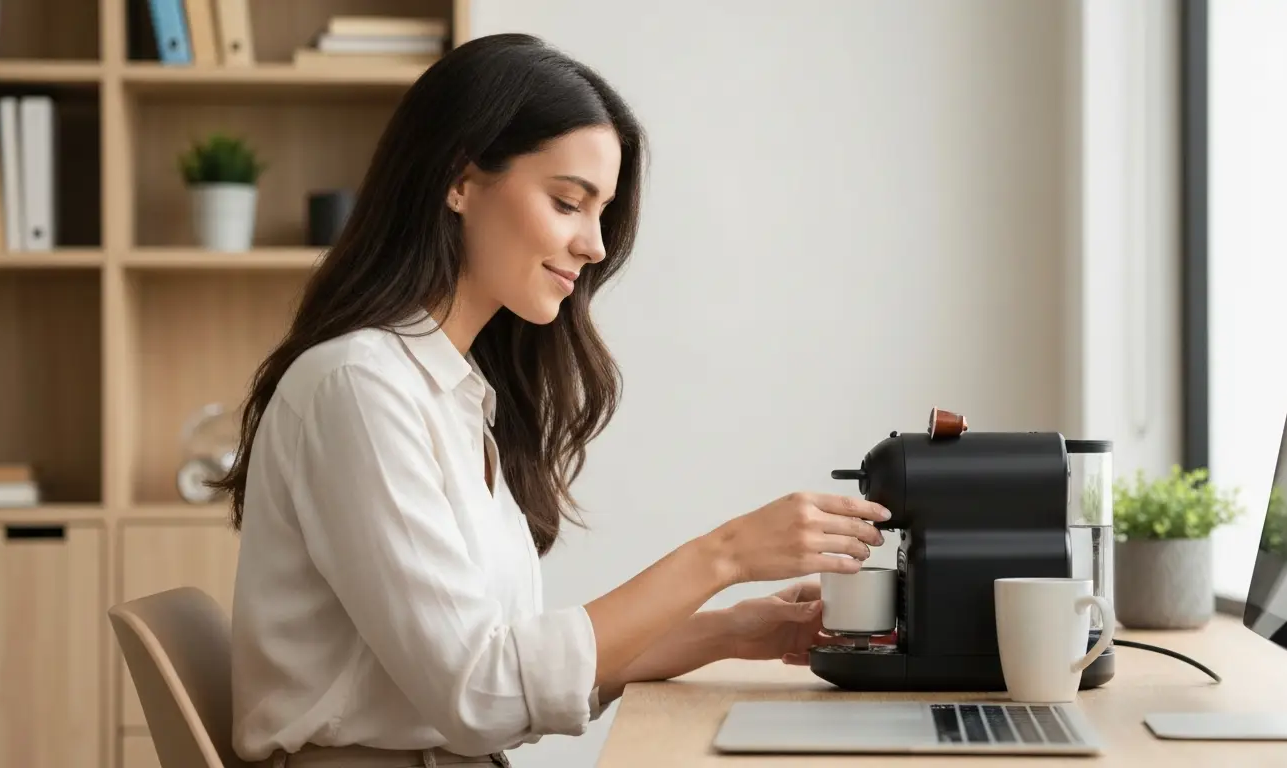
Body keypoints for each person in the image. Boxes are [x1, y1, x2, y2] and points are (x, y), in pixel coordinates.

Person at [213, 32, 888, 768]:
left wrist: (729, 631)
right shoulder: (358, 389)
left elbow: (513, 667)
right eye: (569, 202)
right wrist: (721, 556)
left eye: (601, 213)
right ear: (459, 180)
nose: (595, 245)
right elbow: (482, 696)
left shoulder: (455, 395)